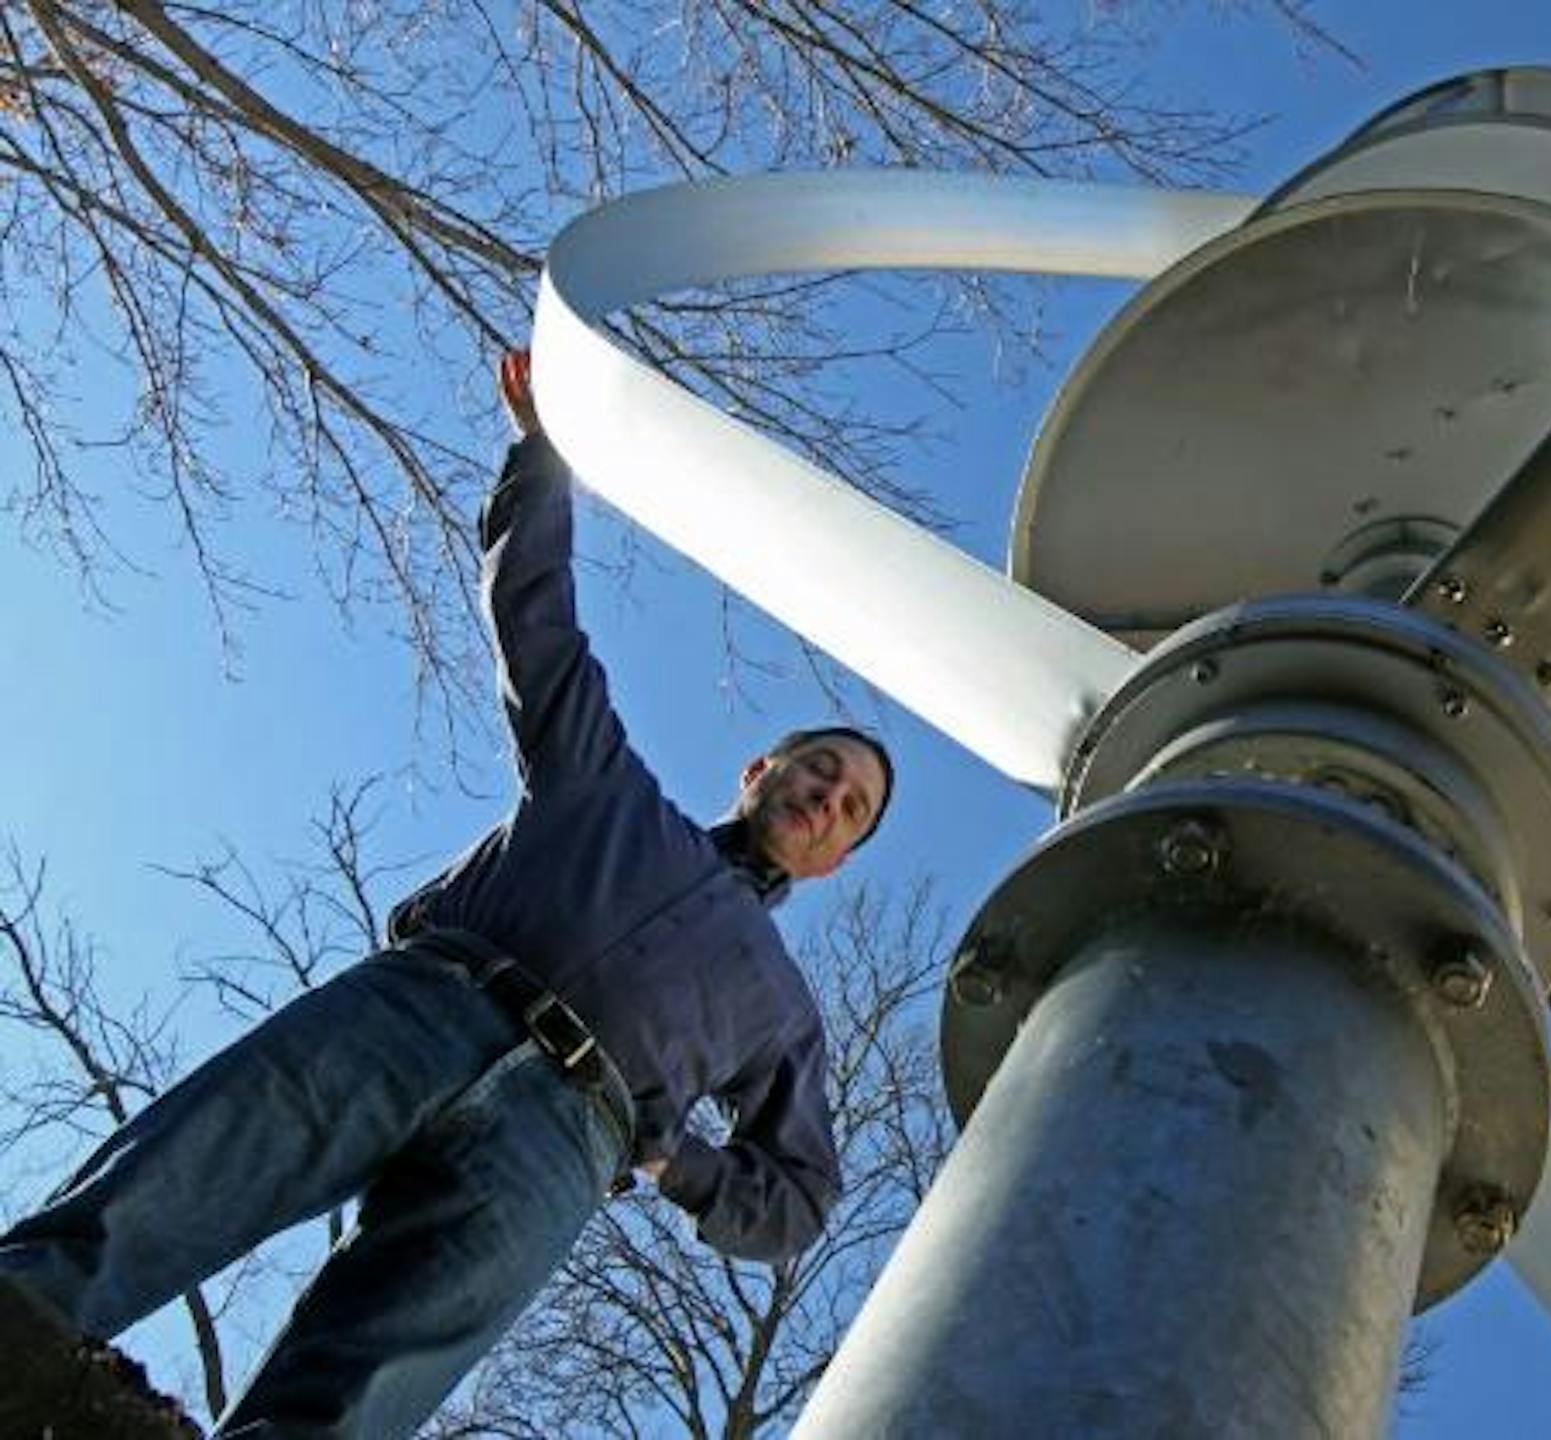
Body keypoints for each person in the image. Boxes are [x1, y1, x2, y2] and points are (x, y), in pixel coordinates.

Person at [0, 348, 892, 1436]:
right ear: (760, 770)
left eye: (850, 808)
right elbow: (538, 619)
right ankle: (18, 1319)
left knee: (369, 1377)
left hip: (564, 1144)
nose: (826, 799)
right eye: (820, 770)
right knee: (187, 1170)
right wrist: (541, 456)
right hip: (421, 1010)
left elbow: (797, 1197)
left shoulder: (783, 1011)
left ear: (838, 859)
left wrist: (683, 1164)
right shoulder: (609, 789)